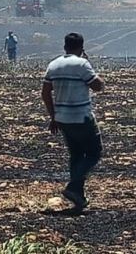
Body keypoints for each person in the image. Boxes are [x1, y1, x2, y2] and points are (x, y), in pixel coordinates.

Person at [42, 32, 105, 210]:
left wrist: (53, 117)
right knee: (94, 153)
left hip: (62, 119)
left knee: (76, 155)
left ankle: (78, 196)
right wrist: (96, 74)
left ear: (65, 47)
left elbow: (45, 93)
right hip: (82, 117)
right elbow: (97, 86)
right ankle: (73, 187)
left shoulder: (53, 65)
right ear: (81, 48)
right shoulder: (82, 64)